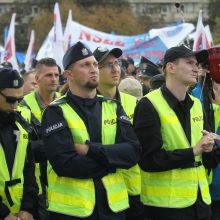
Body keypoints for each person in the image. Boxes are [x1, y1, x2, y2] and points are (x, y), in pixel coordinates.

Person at [41, 41, 141, 220]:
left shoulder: (113, 107)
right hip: (72, 212)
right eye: (85, 65)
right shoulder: (56, 111)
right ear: (69, 74)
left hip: (113, 209)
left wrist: (90, 150)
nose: (93, 69)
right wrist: (112, 163)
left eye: (95, 64)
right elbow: (65, 164)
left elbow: (133, 153)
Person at [133, 44, 220, 220]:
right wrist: (193, 151)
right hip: (164, 206)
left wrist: (212, 150)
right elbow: (148, 160)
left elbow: (208, 159)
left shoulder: (196, 104)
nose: (196, 68)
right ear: (170, 67)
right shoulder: (148, 104)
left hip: (200, 202)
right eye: (189, 63)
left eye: (196, 64)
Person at [93, 47, 144, 220]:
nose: (115, 69)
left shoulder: (135, 103)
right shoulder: (88, 106)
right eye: (107, 65)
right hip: (105, 193)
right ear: (94, 70)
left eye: (117, 63)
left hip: (136, 191)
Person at [20, 57, 60, 220]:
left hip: (61, 177)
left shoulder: (66, 102)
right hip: (36, 182)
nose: (54, 79)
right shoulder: (23, 105)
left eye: (57, 75)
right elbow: (24, 146)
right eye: (49, 75)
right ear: (37, 79)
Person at [0, 67, 37, 220]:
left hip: (18, 213)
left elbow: (28, 168)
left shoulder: (20, 125)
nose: (15, 105)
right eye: (10, 100)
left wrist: (28, 208)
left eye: (19, 100)